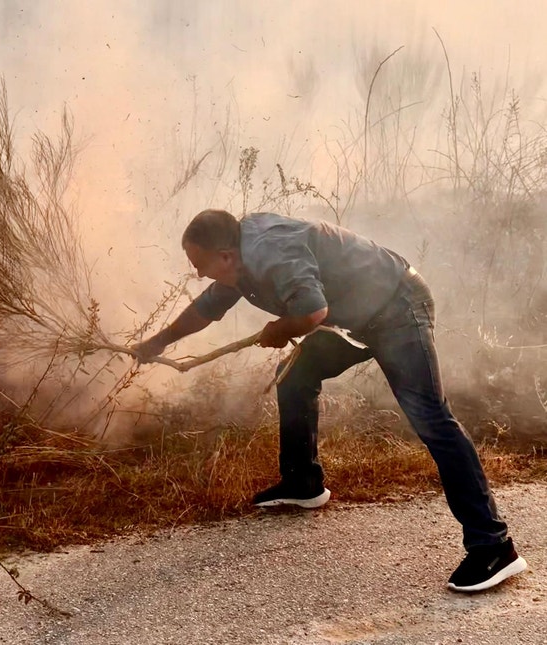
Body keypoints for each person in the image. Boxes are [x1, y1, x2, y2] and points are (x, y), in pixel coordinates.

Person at [133, 209, 528, 593]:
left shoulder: (270, 253)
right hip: (357, 318)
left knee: (432, 420)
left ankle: (493, 546)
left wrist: (279, 328)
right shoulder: (237, 256)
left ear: (224, 255)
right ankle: (303, 482)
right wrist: (158, 342)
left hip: (398, 309)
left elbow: (312, 311)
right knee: (295, 375)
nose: (200, 274)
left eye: (200, 265)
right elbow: (208, 307)